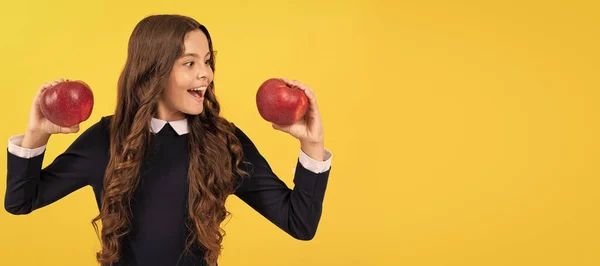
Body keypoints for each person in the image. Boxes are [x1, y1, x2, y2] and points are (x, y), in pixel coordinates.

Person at [4, 14, 332, 266]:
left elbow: (299, 223)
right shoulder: (107, 139)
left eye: (207, 61)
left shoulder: (225, 142)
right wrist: (37, 134)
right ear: (153, 71)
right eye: (190, 63)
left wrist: (312, 145)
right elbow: (21, 201)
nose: (206, 74)